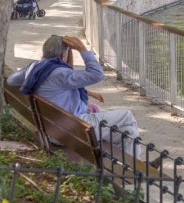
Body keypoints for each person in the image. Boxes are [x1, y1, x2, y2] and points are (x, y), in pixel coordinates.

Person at [7, 35, 142, 158]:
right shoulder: (59, 73)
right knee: (127, 116)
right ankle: (135, 168)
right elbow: (96, 74)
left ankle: (134, 165)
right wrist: (82, 49)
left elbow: (11, 80)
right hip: (70, 131)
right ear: (63, 54)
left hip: (52, 129)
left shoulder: (37, 68)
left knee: (129, 131)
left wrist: (88, 92)